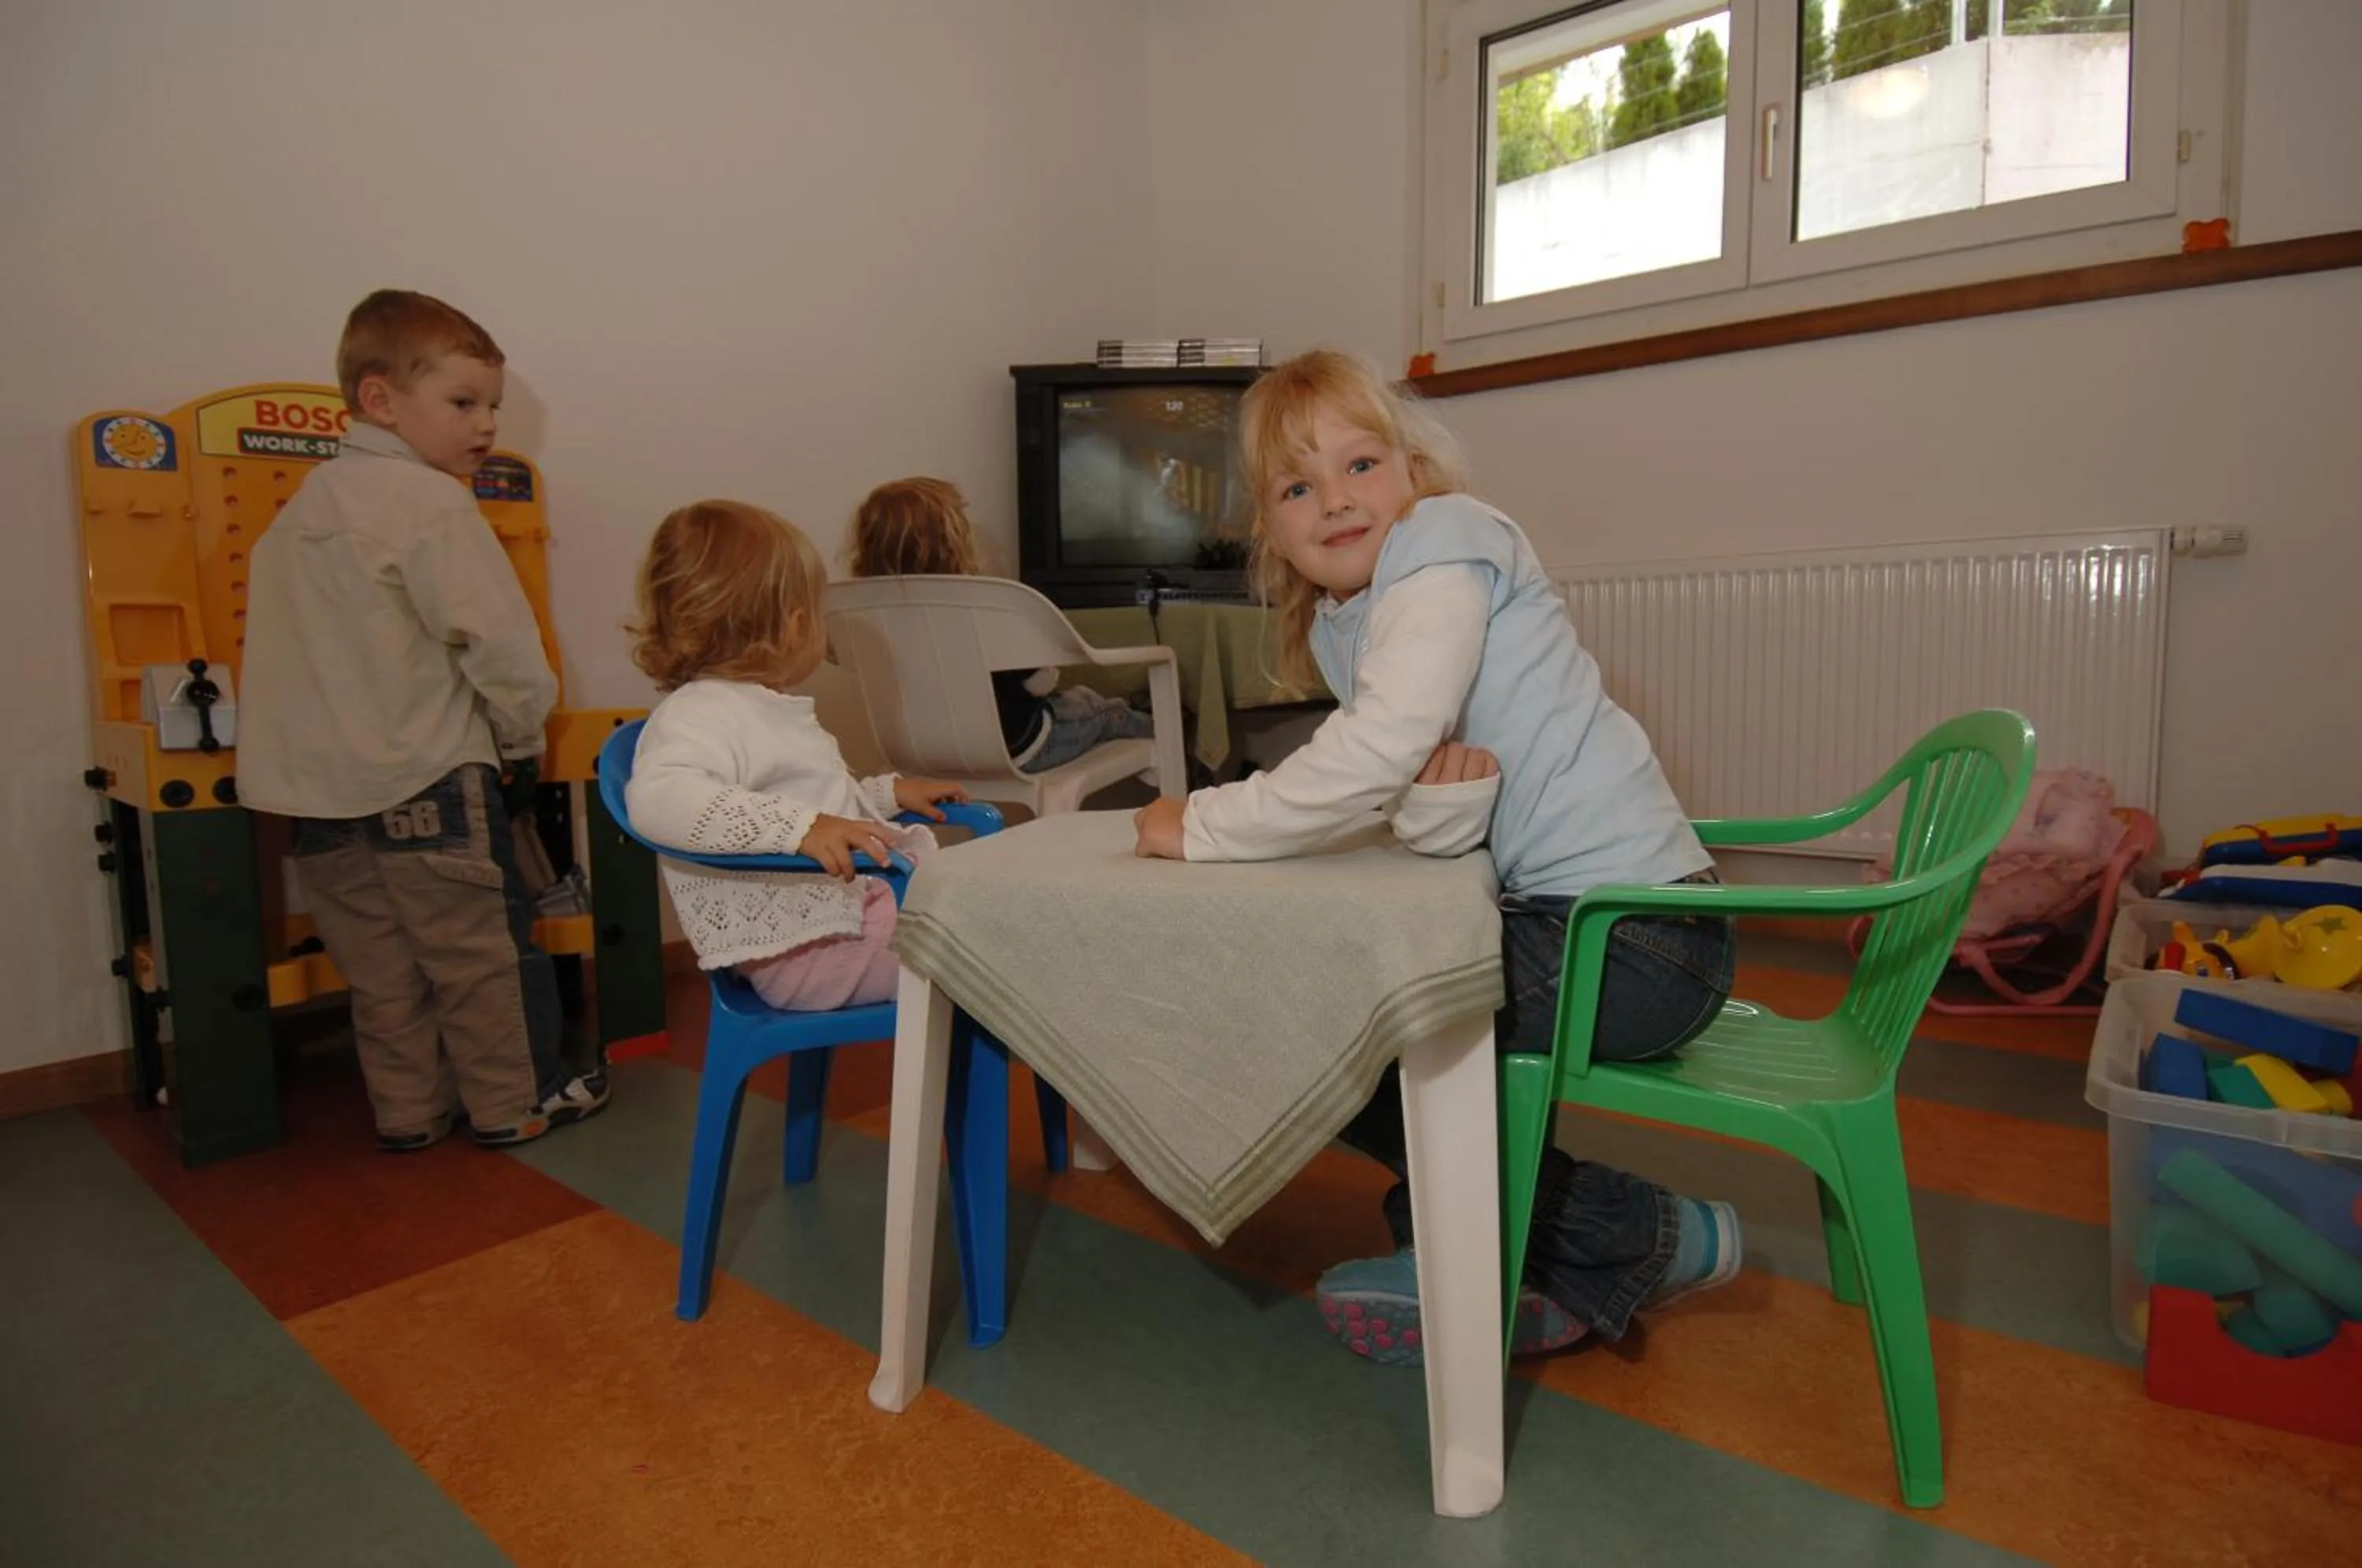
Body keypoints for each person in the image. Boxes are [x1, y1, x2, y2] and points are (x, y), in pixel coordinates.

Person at [1133, 348, 1742, 1364]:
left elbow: (1376, 754)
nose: (1334, 498)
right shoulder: (1356, 617)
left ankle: (1562, 1243)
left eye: (1361, 465)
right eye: (1297, 485)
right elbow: (1419, 808)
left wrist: (1199, 822)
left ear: (1415, 470)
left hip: (1635, 938)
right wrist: (1445, 809)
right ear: (1269, 528)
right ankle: (1537, 1258)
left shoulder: (1444, 542)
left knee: (1340, 1028)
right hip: (1589, 921)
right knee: (1356, 1018)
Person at [240, 289, 601, 1152]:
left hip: (315, 800)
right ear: (379, 399)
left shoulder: (300, 516)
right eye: (463, 403)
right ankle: (516, 1100)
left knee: (380, 971)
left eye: (493, 407)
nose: (485, 426)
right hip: (427, 782)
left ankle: (406, 1114)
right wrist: (519, 741)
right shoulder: (433, 504)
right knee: (476, 958)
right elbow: (504, 648)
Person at [624, 499, 967, 1008]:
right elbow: (658, 799)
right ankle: (973, 1084)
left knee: (995, 914)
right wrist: (799, 828)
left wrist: (883, 794)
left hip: (841, 931)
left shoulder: (757, 708)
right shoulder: (700, 711)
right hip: (812, 955)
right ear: (792, 625)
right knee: (996, 947)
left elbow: (805, 796)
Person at [849, 476, 1153, 773]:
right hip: (1018, 747)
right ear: (954, 542)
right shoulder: (982, 605)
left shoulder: (859, 612)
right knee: (1102, 707)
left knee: (1077, 702)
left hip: (912, 751)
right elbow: (1041, 683)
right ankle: (1171, 734)